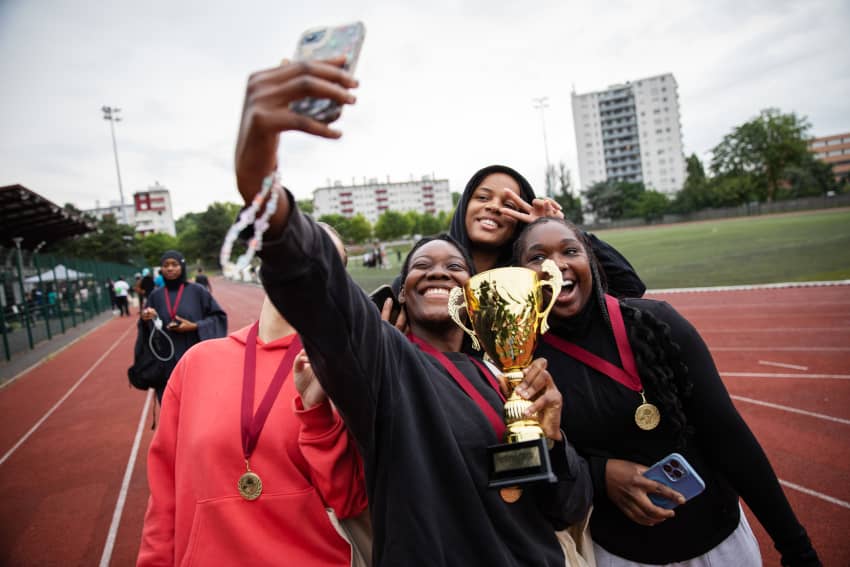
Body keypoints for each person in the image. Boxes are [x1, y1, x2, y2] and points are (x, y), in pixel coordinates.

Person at [234, 58, 592, 566]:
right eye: (423, 265)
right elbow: (318, 287)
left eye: (456, 265)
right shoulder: (387, 369)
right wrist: (260, 177)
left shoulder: (504, 376)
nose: (441, 271)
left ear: (478, 295)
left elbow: (569, 505)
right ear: (402, 293)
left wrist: (551, 440)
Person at [513, 217, 821, 566]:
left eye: (571, 250)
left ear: (592, 262)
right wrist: (600, 474)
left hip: (720, 545)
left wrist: (796, 547)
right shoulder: (525, 363)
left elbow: (729, 438)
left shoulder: (656, 323)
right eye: (537, 257)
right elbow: (539, 476)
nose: (556, 265)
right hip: (621, 555)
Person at [137, 226, 369, 567]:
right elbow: (164, 494)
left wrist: (319, 415)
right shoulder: (197, 364)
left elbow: (350, 500)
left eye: (327, 259)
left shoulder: (346, 368)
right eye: (294, 249)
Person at [448, 164, 645, 298]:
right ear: (464, 204)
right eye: (482, 197)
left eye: (509, 205)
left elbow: (629, 288)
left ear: (519, 224)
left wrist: (557, 229)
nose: (494, 207)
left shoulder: (534, 277)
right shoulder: (434, 265)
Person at [140, 250, 227, 400]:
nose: (170, 268)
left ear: (182, 267)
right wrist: (146, 318)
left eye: (174, 264)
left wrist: (195, 326)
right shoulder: (155, 295)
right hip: (166, 361)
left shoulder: (197, 291)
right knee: (172, 405)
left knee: (199, 402)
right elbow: (146, 329)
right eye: (166, 265)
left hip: (195, 359)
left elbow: (219, 318)